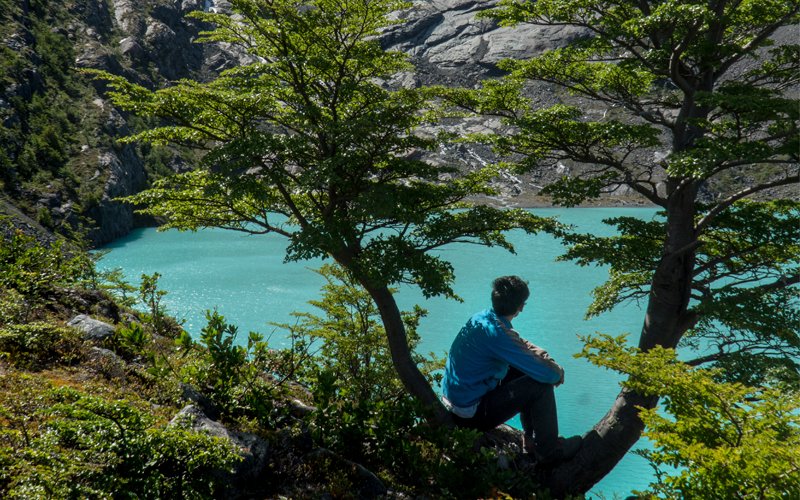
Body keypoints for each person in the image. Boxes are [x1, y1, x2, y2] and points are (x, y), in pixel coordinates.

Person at [441, 275, 581, 463]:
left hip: (455, 402)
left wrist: (542, 356)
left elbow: (518, 343)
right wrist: (557, 372)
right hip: (469, 415)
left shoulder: (482, 318)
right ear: (520, 307)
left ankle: (530, 441)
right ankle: (548, 451)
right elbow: (550, 374)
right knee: (540, 384)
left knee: (527, 370)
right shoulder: (498, 335)